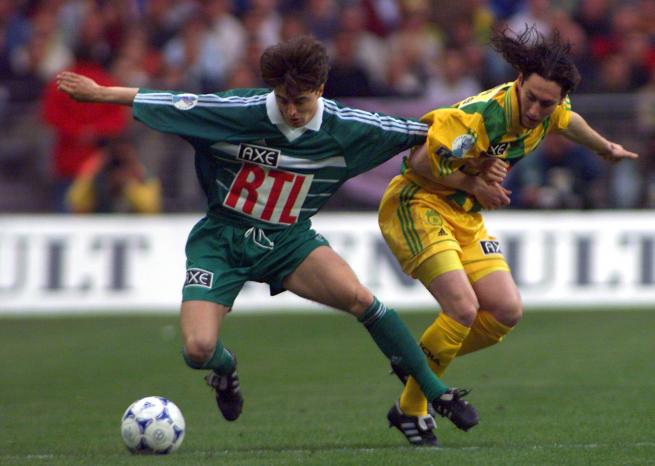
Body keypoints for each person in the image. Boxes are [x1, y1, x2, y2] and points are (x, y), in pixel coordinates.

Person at [56, 35, 478, 443]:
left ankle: (436, 392)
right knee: (198, 349)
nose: (292, 111)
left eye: (302, 101)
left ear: (321, 89)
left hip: (288, 241)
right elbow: (171, 101)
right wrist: (100, 93)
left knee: (362, 299)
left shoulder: (348, 128)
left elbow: (427, 132)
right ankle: (225, 369)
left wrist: (481, 164)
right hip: (221, 240)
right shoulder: (237, 111)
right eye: (283, 100)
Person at [377, 25, 638, 446]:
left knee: (504, 311)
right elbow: (419, 162)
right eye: (530, 97)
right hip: (418, 203)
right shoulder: (480, 117)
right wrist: (475, 182)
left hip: (465, 214)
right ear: (518, 81)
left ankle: (412, 374)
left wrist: (604, 148)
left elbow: (569, 122)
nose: (535, 110)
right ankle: (417, 395)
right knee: (463, 309)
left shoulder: (553, 109)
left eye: (546, 103)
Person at [66, 137, 162, 214]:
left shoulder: (143, 178)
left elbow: (150, 208)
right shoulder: (98, 178)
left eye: (125, 159)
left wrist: (130, 184)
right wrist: (93, 169)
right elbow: (75, 202)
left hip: (134, 228)